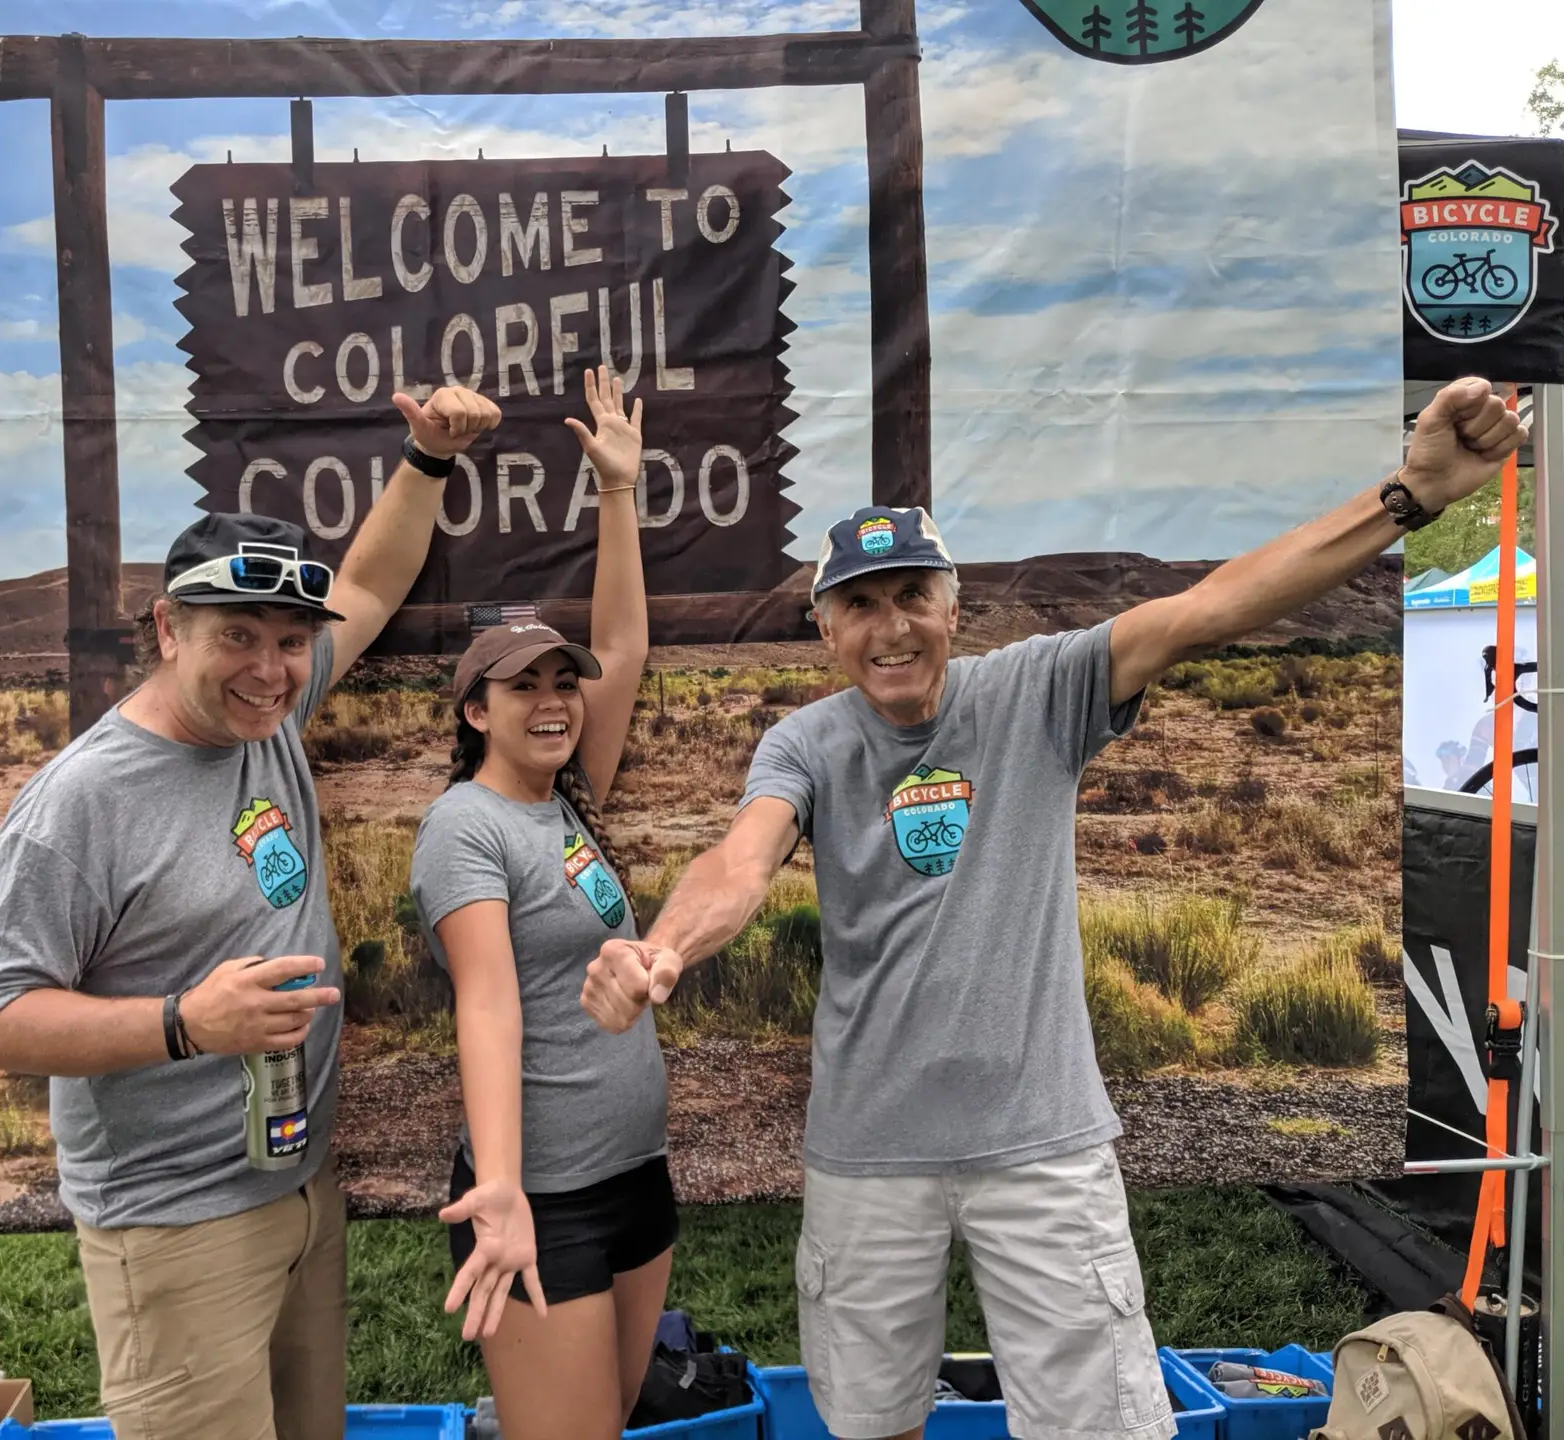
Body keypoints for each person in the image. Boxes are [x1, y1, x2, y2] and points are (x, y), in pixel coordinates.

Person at [581, 375, 1527, 1440]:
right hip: (868, 1149)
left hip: (1041, 1145)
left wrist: (1407, 497)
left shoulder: (1036, 687)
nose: (890, 627)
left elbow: (1214, 605)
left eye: (911, 597)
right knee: (868, 1422)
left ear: (952, 605)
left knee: (1096, 1426)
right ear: (824, 626)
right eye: (860, 603)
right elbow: (741, 859)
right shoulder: (807, 743)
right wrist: (661, 951)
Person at [0, 384, 502, 1440]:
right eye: (238, 636)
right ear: (168, 628)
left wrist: (427, 457)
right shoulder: (82, 804)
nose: (270, 668)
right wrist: (181, 1023)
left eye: (292, 640)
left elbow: (374, 579)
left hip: (298, 1187)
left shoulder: (268, 717)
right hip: (172, 1226)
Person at [407, 367, 663, 1440]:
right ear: (476, 708)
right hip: (542, 1200)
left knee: (618, 1414)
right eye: (528, 688)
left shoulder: (566, 802)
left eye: (566, 684)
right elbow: (488, 1004)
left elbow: (631, 647)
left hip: (634, 1179)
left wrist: (616, 491)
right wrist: (502, 1189)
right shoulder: (466, 825)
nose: (557, 702)